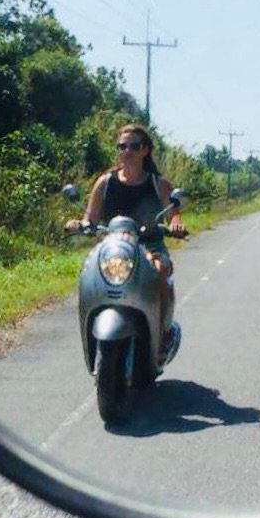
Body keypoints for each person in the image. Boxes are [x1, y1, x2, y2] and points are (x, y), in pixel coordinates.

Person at [65, 123, 185, 357]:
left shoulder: (158, 184)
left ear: (145, 151)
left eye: (134, 146)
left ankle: (164, 332)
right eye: (122, 146)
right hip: (113, 248)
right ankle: (90, 332)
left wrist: (175, 224)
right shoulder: (105, 182)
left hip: (148, 245)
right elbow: (90, 217)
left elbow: (173, 213)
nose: (127, 151)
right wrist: (78, 224)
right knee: (87, 274)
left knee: (160, 270)